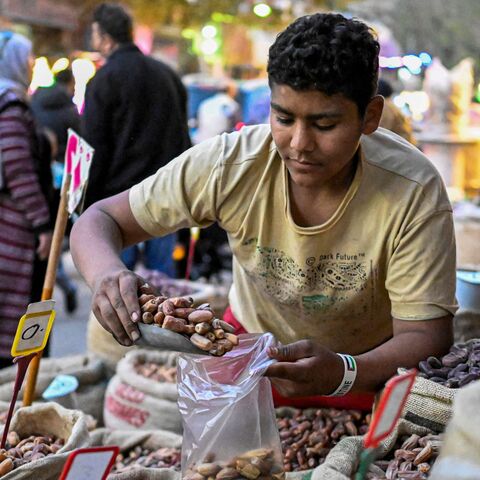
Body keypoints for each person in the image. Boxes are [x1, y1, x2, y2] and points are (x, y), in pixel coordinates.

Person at [71, 13, 456, 398]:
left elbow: (425, 335)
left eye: (324, 125)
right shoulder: (231, 164)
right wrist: (106, 273)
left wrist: (344, 371)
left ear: (369, 116)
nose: (300, 143)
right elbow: (99, 220)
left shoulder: (412, 190)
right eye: (284, 118)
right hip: (246, 359)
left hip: (368, 373)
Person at [82, 2, 190, 277]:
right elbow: (183, 139)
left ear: (105, 38)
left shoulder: (103, 81)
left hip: (118, 205)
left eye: (95, 34)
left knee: (117, 290)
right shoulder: (167, 75)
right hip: (166, 199)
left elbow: (94, 149)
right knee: (166, 294)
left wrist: (89, 206)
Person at [0, 31, 52, 368]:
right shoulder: (11, 106)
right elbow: (17, 168)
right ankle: (11, 398)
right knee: (15, 314)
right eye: (29, 61)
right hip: (12, 229)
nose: (33, 68)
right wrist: (42, 223)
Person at [31, 68, 80, 312]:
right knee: (56, 234)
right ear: (69, 83)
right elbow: (79, 144)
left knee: (49, 240)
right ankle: (65, 285)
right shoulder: (71, 111)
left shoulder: (33, 103)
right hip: (63, 179)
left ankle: (58, 282)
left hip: (40, 178)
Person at [377, 78, 415, 144]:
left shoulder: (384, 106)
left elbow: (381, 131)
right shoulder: (389, 104)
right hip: (405, 145)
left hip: (401, 148)